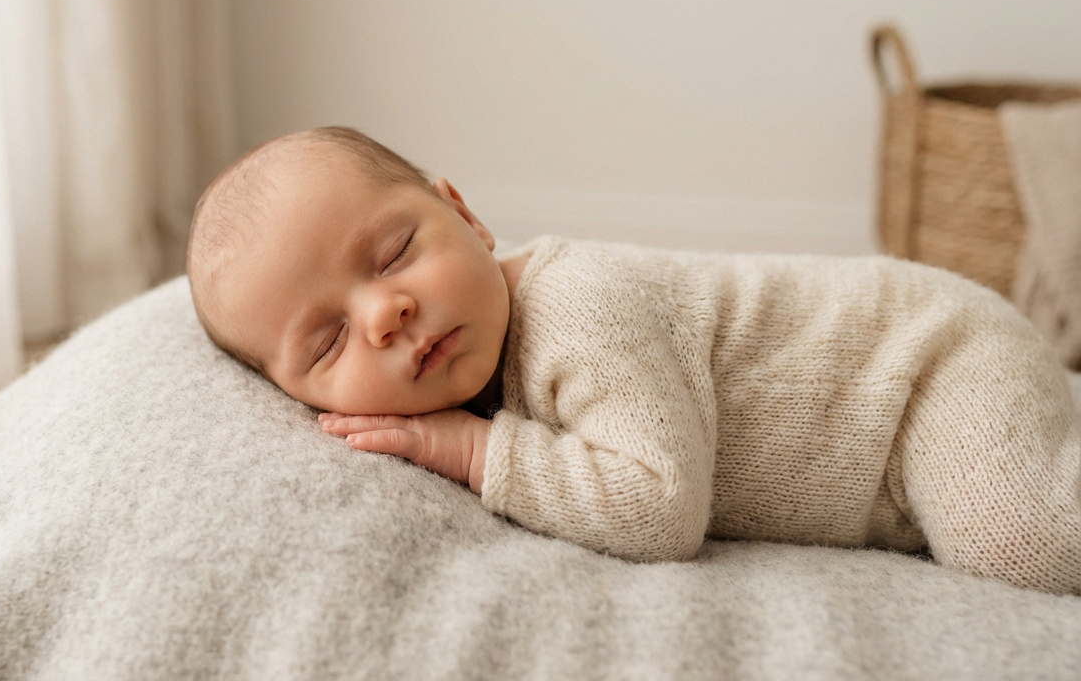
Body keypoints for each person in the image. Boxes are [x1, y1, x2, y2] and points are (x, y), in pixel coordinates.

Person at [186, 126, 1081, 595]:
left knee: (1021, 542)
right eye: (330, 342)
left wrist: (468, 451)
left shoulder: (581, 304)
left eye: (391, 256)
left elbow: (660, 508)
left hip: (927, 370)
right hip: (883, 465)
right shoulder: (476, 356)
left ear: (466, 214)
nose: (386, 313)